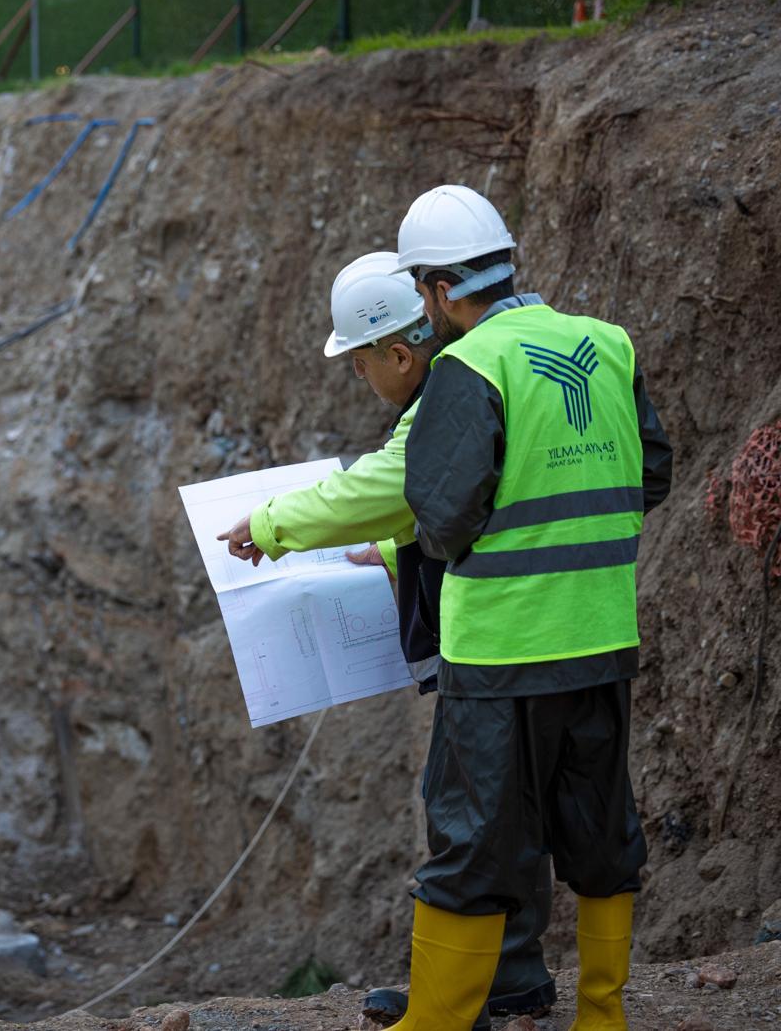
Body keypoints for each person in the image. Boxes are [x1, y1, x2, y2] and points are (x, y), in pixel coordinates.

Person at [215, 252, 558, 1029]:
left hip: (495, 641)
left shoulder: (448, 396)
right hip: (536, 630)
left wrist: (269, 524)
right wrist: (402, 552)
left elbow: (383, 485)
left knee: (465, 812)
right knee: (509, 808)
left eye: (360, 362)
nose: (358, 376)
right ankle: (509, 974)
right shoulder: (489, 375)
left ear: (400, 354)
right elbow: (477, 509)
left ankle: (458, 998)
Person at [385, 184, 673, 1031]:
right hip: (600, 638)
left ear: (441, 290)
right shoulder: (607, 343)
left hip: (501, 654)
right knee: (600, 828)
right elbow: (652, 471)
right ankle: (602, 1016)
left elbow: (443, 516)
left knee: (474, 842)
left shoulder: (469, 365)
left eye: (424, 294)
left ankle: (435, 1023)